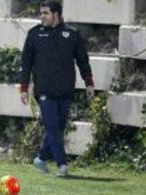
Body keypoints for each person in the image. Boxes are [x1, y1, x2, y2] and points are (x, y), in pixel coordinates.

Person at [20, 1, 95, 176]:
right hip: (44, 91)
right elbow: (25, 63)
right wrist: (23, 87)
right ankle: (62, 165)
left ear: (56, 14)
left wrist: (89, 83)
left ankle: (40, 158)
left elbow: (83, 61)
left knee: (58, 128)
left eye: (45, 13)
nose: (42, 16)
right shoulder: (34, 34)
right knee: (52, 127)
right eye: (41, 13)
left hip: (66, 91)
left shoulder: (73, 34)